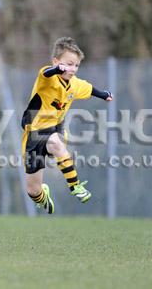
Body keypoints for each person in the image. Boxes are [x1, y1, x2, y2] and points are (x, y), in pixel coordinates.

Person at [21, 37, 113, 214]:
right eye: (69, 64)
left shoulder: (74, 83)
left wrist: (104, 94)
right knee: (33, 190)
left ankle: (76, 186)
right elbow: (46, 73)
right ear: (56, 61)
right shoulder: (48, 78)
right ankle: (43, 197)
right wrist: (56, 69)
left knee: (56, 143)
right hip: (34, 132)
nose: (73, 69)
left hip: (55, 128)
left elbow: (89, 88)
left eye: (76, 65)